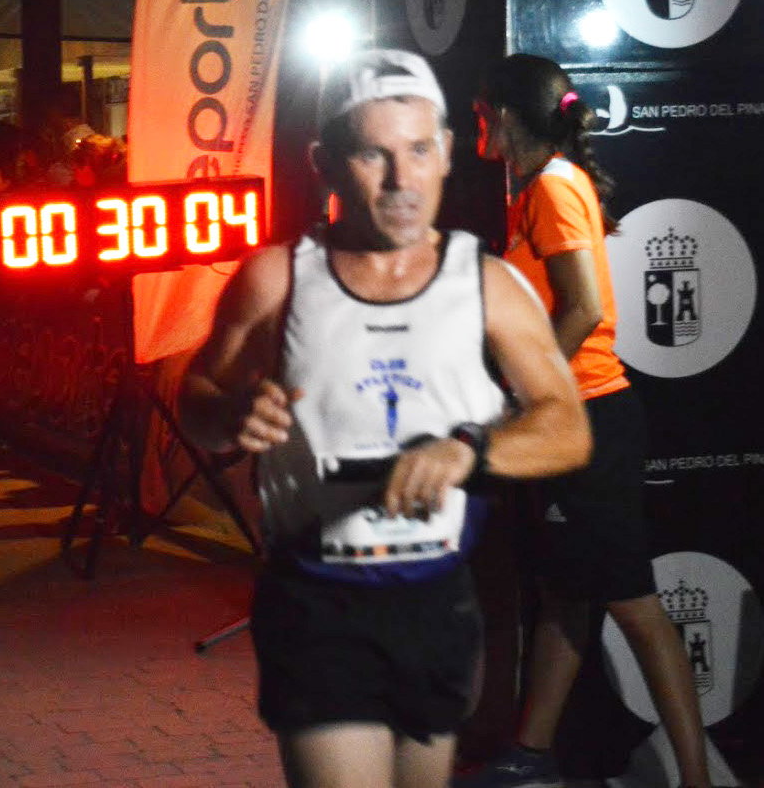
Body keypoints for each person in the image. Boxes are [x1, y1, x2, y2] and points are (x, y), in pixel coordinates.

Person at [177, 49, 591, 788]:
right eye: (373, 154)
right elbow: (197, 399)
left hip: (435, 595)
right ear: (324, 164)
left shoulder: (485, 283)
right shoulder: (276, 278)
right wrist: (231, 412)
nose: (403, 180)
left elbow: (567, 426)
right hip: (317, 597)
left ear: (447, 153)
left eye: (419, 150)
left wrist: (469, 451)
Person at [463, 54, 710, 788]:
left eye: (480, 113)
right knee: (568, 594)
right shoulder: (541, 187)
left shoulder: (551, 185)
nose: (476, 124)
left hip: (590, 420)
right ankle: (530, 755)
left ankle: (695, 778)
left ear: (505, 116)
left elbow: (584, 307)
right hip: (575, 419)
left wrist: (526, 393)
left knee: (635, 607)